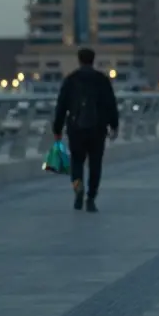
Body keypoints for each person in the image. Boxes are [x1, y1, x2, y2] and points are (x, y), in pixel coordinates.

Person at [52, 47, 120, 213]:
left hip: (76, 129)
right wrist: (114, 125)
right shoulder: (102, 80)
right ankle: (91, 198)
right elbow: (111, 104)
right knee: (95, 165)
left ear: (79, 60)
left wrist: (57, 128)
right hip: (98, 129)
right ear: (93, 60)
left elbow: (61, 106)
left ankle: (78, 189)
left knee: (77, 163)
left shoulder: (71, 80)